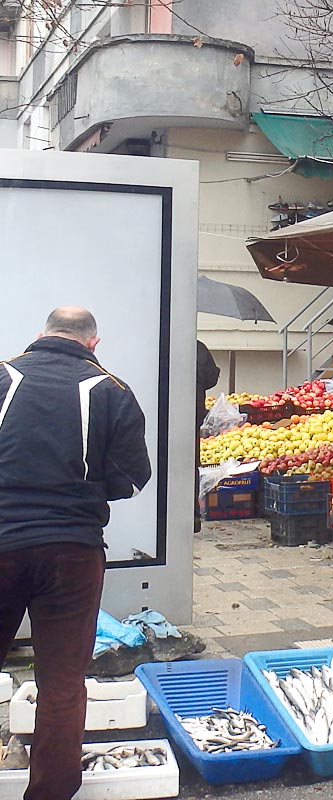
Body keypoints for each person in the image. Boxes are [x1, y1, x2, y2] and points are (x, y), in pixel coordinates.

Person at [0, 307, 151, 800]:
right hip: (73, 550)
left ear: (39, 336)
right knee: (62, 683)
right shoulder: (113, 390)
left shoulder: (2, 375)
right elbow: (131, 479)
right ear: (93, 343)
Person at [196, 341, 221, 532]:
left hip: (163, 414)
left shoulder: (160, 342)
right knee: (190, 465)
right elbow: (211, 378)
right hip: (192, 415)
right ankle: (192, 515)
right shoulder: (199, 348)